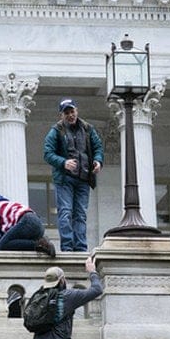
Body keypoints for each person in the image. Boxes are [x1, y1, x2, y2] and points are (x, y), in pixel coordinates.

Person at [43, 99, 103, 252]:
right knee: (65, 212)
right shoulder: (56, 130)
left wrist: (98, 160)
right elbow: (48, 153)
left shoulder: (88, 129)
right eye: (66, 113)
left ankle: (81, 248)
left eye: (72, 111)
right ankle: (67, 247)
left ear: (77, 111)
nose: (70, 115)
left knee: (80, 214)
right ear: (61, 115)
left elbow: (98, 147)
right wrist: (64, 162)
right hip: (65, 179)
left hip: (84, 178)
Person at [0, 185, 56, 257]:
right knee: (13, 243)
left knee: (2, 245)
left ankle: (40, 244)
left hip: (27, 221)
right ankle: (42, 242)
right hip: (38, 224)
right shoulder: (6, 204)